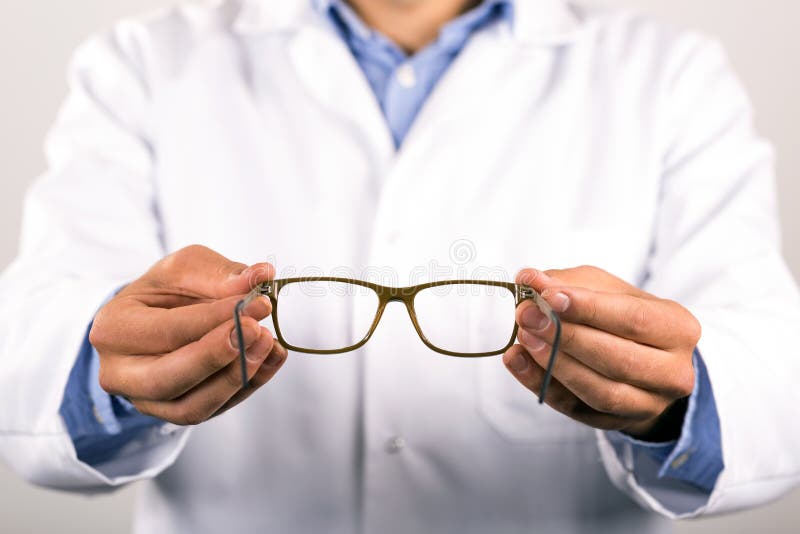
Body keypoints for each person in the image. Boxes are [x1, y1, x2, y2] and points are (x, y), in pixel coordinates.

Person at [1, 0, 799, 532]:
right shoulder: (145, 63)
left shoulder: (668, 75)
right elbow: (33, 339)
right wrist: (106, 365)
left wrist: (676, 398)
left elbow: (773, 376)